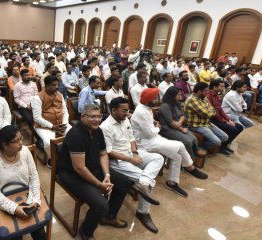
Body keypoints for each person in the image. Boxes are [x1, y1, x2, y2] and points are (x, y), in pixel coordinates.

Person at [59, 104, 131, 240]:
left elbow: (103, 154)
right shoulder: (76, 134)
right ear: (83, 117)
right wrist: (100, 185)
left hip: (92, 167)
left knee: (125, 183)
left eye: (99, 116)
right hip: (72, 175)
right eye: (93, 117)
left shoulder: (97, 130)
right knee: (101, 205)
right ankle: (85, 232)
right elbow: (79, 168)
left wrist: (107, 175)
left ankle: (108, 217)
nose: (97, 120)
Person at [100, 97, 164, 233]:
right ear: (113, 110)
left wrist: (135, 154)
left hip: (131, 153)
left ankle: (144, 183)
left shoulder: (125, 120)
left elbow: (131, 139)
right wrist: (130, 160)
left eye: (127, 110)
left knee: (158, 158)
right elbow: (109, 152)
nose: (127, 113)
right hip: (119, 161)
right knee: (148, 181)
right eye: (123, 111)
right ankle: (143, 212)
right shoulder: (105, 127)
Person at [132, 88, 208, 197]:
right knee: (181, 145)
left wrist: (154, 124)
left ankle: (172, 182)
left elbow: (149, 126)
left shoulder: (146, 107)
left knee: (177, 156)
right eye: (154, 98)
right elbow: (150, 133)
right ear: (148, 99)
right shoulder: (141, 111)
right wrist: (158, 127)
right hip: (145, 143)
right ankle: (190, 167)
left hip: (153, 138)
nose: (157, 100)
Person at [0, 125, 46, 240]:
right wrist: (14, 208)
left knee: (40, 235)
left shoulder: (25, 151)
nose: (21, 143)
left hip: (26, 196)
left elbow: (33, 176)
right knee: (14, 237)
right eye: (16, 141)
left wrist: (34, 200)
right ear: (4, 145)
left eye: (21, 139)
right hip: (4, 200)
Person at [31, 75, 72, 167]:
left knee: (74, 134)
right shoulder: (37, 98)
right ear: (47, 86)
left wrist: (64, 123)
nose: (57, 87)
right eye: (54, 85)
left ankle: (68, 155)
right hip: (44, 127)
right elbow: (37, 118)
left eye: (57, 84)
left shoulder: (60, 95)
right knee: (48, 141)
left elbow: (65, 111)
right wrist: (52, 126)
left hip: (61, 124)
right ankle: (51, 159)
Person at [158, 86, 206, 162]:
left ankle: (193, 154)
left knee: (194, 138)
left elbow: (183, 116)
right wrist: (181, 128)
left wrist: (180, 123)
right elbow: (172, 124)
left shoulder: (176, 103)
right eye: (178, 95)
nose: (180, 97)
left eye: (180, 95)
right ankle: (189, 160)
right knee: (187, 141)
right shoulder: (165, 106)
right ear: (172, 96)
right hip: (167, 129)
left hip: (178, 126)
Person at [184, 82, 229, 152]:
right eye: (205, 91)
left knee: (225, 137)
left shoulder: (203, 97)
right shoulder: (192, 100)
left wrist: (210, 111)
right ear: (199, 91)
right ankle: (197, 149)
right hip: (196, 125)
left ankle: (201, 147)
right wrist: (210, 111)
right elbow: (206, 114)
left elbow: (212, 109)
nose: (207, 92)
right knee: (217, 142)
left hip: (206, 123)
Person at [206, 79, 244, 154]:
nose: (223, 88)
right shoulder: (208, 96)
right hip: (212, 119)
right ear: (214, 87)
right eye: (221, 86)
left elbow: (220, 110)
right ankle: (221, 147)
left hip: (218, 118)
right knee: (233, 129)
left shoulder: (216, 95)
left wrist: (228, 119)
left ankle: (224, 145)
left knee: (239, 127)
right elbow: (213, 113)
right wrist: (226, 121)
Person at [14, 69, 38, 133]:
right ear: (21, 76)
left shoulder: (33, 84)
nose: (28, 76)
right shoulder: (17, 85)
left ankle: (42, 133)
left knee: (43, 115)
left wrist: (34, 104)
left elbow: (36, 95)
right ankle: (37, 136)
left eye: (29, 75)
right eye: (26, 75)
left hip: (34, 104)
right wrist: (26, 106)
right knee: (30, 119)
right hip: (23, 107)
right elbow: (16, 99)